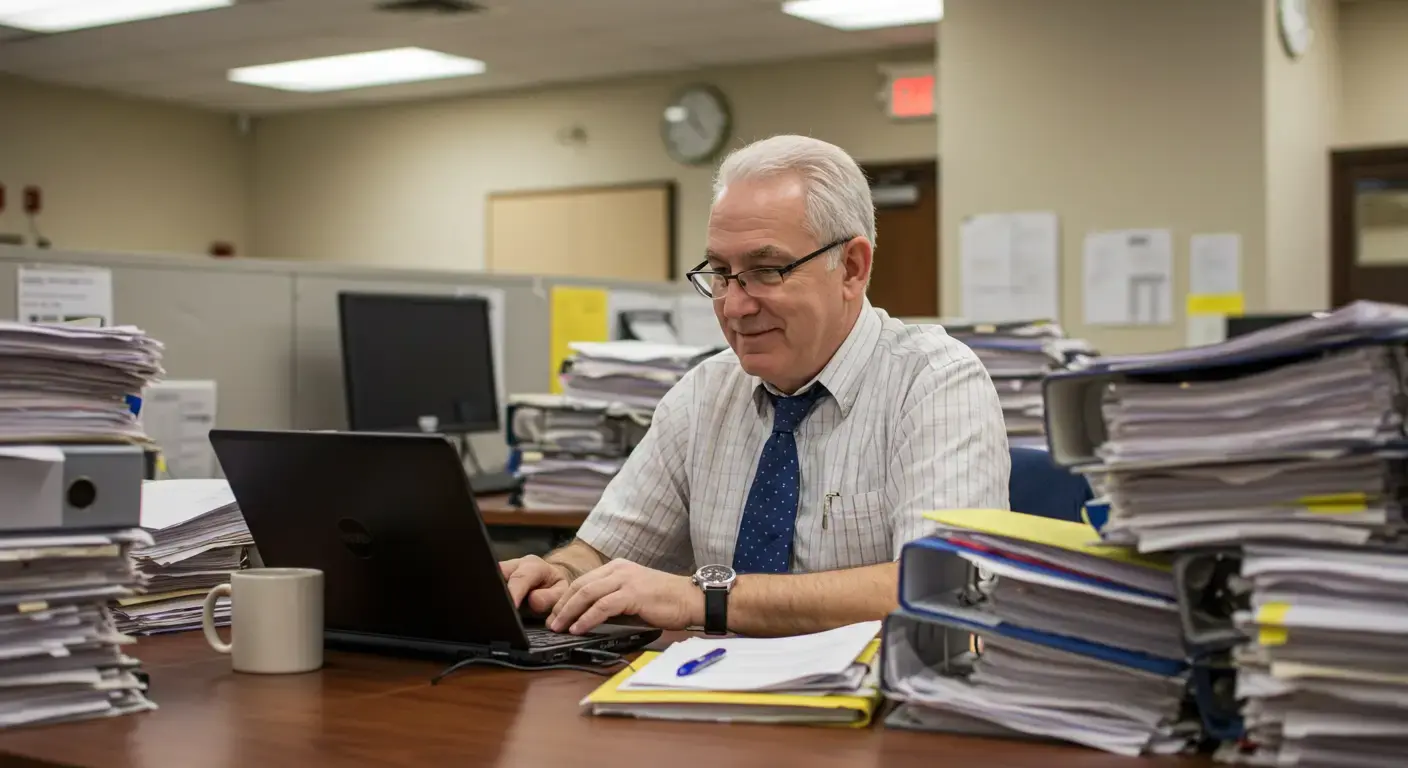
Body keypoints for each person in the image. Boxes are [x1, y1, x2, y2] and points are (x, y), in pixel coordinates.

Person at [500, 135, 1009, 638]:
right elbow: (606, 550)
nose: (734, 305)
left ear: (852, 268)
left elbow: (944, 587)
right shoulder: (705, 392)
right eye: (721, 273)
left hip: (872, 705)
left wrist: (701, 598)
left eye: (766, 271)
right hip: (705, 694)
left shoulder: (934, 381)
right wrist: (561, 575)